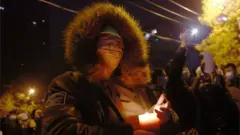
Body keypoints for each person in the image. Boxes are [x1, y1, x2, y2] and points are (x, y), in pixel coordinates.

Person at [41, 3, 172, 135]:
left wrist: (159, 115)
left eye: (119, 43)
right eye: (107, 40)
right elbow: (58, 130)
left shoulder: (123, 86)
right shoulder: (67, 84)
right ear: (91, 44)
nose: (114, 47)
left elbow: (170, 122)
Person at [165, 31, 199, 133]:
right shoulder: (174, 85)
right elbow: (176, 66)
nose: (186, 70)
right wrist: (183, 45)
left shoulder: (185, 85)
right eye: (183, 68)